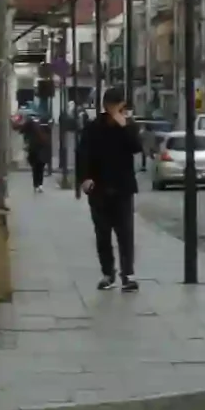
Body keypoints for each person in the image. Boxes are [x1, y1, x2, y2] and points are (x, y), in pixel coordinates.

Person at [76, 87, 143, 292]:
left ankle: (128, 275)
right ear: (105, 105)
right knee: (102, 234)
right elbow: (82, 154)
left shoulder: (129, 127)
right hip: (99, 188)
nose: (114, 109)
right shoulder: (93, 127)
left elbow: (136, 147)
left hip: (123, 189)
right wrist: (84, 179)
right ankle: (108, 274)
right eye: (111, 105)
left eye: (118, 106)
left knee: (125, 234)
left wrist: (124, 125)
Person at [24, 119, 51, 193]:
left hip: (36, 152)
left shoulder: (32, 133)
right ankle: (39, 185)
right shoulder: (43, 132)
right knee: (39, 169)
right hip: (38, 152)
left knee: (36, 169)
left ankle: (37, 185)